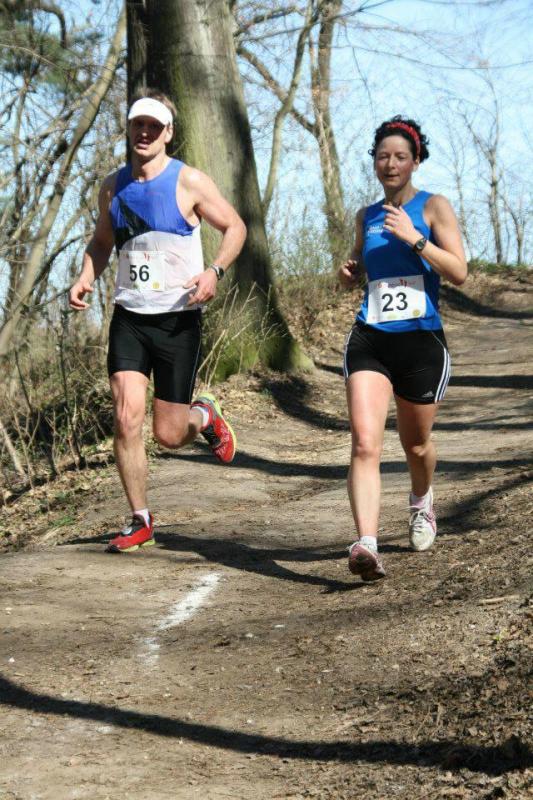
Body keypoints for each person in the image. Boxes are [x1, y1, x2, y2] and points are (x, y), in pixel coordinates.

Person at [69, 90, 247, 552]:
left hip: (177, 319)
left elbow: (235, 227)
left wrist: (215, 271)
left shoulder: (189, 181)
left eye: (153, 126)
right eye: (138, 125)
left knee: (168, 434)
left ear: (168, 132)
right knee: (126, 417)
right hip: (129, 317)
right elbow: (102, 242)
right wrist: (86, 277)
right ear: (129, 129)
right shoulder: (112, 186)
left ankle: (203, 415)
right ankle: (140, 519)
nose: (144, 133)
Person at [338, 115, 467, 581]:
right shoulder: (366, 216)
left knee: (415, 444)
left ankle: (421, 501)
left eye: (400, 157)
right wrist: (349, 272)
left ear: (415, 162)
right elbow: (359, 266)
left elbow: (459, 271)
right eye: (382, 156)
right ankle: (366, 544)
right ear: (374, 162)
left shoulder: (433, 207)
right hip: (370, 337)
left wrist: (416, 240)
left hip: (420, 341)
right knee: (365, 442)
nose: (390, 164)